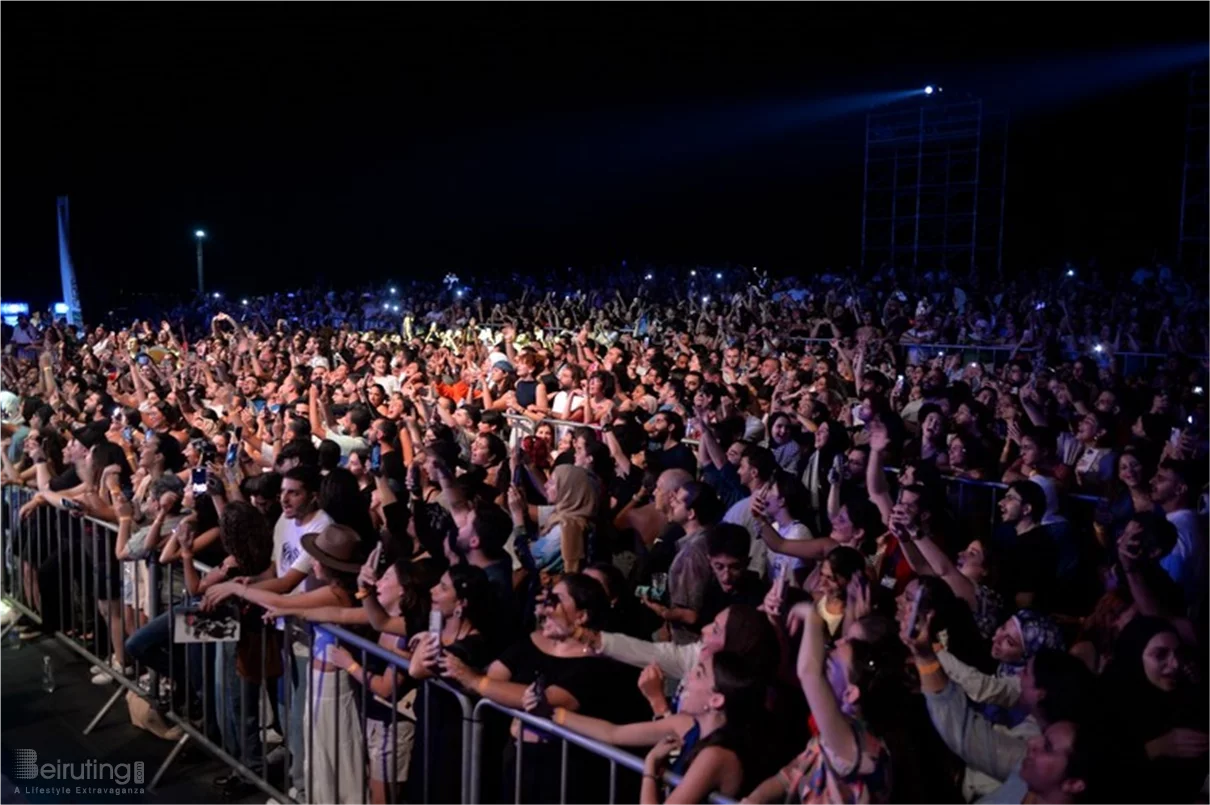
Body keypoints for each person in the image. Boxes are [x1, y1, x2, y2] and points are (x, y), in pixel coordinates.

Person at [542, 650, 772, 805]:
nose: (688, 677)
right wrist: (552, 713)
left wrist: (650, 766)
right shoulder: (685, 724)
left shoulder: (716, 756)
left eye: (699, 673)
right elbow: (613, 733)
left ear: (716, 700)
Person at [741, 602, 906, 805]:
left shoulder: (861, 744)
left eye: (827, 665)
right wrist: (753, 800)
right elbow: (787, 778)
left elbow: (809, 673)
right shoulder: (828, 738)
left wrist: (812, 616)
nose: (819, 667)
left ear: (850, 693)